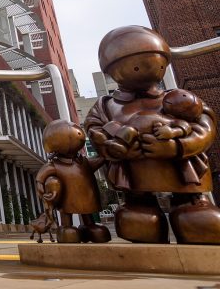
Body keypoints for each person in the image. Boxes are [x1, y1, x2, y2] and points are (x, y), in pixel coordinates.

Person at [84, 26, 220, 244]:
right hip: (134, 172)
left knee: (197, 220)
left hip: (182, 170)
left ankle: (193, 205)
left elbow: (205, 127)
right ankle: (139, 208)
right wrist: (112, 147)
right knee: (139, 220)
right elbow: (94, 131)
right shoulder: (105, 105)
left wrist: (178, 147)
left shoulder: (179, 99)